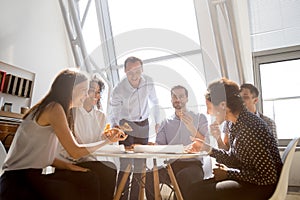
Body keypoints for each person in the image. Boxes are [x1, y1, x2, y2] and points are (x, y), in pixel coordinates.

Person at [0, 69, 127, 200]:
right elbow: (75, 152)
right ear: (70, 89)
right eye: (84, 90)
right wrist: (108, 140)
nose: (86, 95)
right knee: (88, 181)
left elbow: (44, 156)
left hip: (28, 176)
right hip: (18, 181)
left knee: (99, 173)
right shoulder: (54, 109)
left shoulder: (53, 107)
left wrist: (69, 167)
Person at [186, 78, 282, 200]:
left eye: (209, 106)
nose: (207, 112)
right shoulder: (233, 123)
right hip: (249, 179)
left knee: (197, 194)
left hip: (262, 186)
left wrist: (228, 173)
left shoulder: (250, 127)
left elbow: (268, 177)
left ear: (222, 105)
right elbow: (234, 159)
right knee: (192, 189)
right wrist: (208, 149)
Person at [56, 77, 117, 200]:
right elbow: (67, 149)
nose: (95, 95)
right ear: (83, 93)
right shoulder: (70, 113)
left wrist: (106, 138)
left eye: (98, 92)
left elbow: (101, 144)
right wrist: (102, 141)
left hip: (90, 160)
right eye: (91, 90)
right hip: (70, 161)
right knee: (103, 172)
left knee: (110, 168)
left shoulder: (101, 117)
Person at [145, 85, 209, 200]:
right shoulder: (165, 122)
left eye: (181, 96)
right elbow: (160, 147)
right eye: (174, 96)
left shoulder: (200, 118)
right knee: (149, 175)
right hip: (170, 165)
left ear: (187, 98)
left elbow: (207, 145)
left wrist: (192, 128)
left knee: (183, 177)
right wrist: (153, 145)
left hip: (193, 165)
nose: (177, 99)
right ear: (171, 100)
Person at [109, 56, 160, 200]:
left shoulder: (148, 81)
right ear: (125, 71)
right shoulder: (119, 89)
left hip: (143, 123)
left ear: (142, 70)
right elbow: (114, 110)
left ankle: (135, 198)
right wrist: (118, 126)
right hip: (126, 124)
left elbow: (155, 101)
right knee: (125, 165)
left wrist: (157, 121)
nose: (134, 75)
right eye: (130, 71)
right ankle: (121, 197)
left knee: (140, 165)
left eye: (137, 70)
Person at [211, 83, 278, 150]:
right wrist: (218, 138)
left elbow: (273, 149)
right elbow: (227, 151)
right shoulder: (229, 122)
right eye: (240, 98)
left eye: (246, 97)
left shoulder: (268, 122)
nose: (241, 101)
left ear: (255, 100)